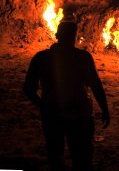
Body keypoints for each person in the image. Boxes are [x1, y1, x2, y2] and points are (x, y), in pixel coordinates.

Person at [23, 21, 110, 171]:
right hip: (79, 115)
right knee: (82, 157)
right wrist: (105, 109)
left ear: (57, 36)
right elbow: (95, 85)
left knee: (56, 156)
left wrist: (44, 106)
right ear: (74, 37)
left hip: (52, 116)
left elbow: (28, 89)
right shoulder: (82, 57)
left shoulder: (41, 58)